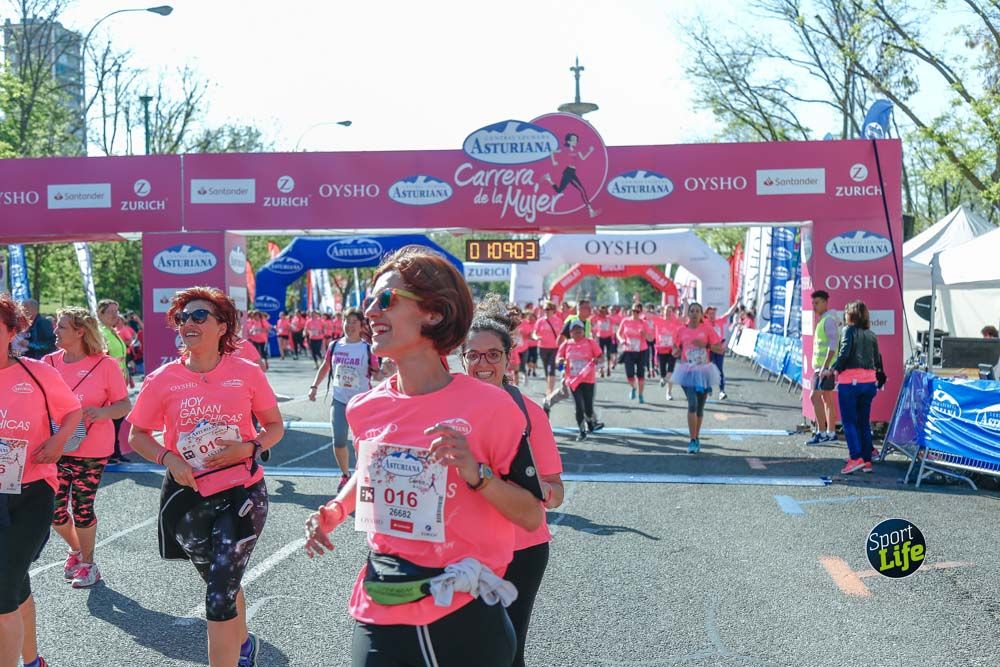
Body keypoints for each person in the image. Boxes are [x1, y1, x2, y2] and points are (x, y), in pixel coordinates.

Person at [303, 246, 542, 667]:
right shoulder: (364, 407)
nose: (371, 313)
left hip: (463, 611)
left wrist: (477, 473)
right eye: (368, 302)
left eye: (385, 300)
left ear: (433, 313)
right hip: (384, 592)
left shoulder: (494, 408)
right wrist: (335, 511)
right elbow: (369, 471)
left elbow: (530, 516)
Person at [127, 287, 285, 667]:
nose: (188, 324)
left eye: (199, 316)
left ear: (222, 326)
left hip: (242, 492)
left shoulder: (245, 372)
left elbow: (275, 427)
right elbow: (137, 436)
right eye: (182, 318)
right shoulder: (163, 378)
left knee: (217, 595)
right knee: (220, 581)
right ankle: (243, 645)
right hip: (188, 496)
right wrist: (168, 458)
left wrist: (249, 449)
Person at [459, 294, 564, 667]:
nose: (483, 363)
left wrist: (545, 492)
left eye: (493, 354)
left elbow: (555, 491)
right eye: (474, 355)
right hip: (461, 548)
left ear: (508, 358)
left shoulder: (530, 412)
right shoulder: (446, 406)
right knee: (461, 648)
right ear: (462, 359)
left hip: (522, 547)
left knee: (508, 649)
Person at [0, 294, 83, 667]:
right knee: (14, 582)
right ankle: (33, 661)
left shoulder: (37, 373)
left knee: (2, 586)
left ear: (12, 331)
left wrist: (57, 441)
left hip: (33, 491)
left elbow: (72, 412)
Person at [44, 307, 131, 588]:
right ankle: (76, 549)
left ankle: (88, 564)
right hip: (55, 447)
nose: (55, 331)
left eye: (62, 327)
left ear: (80, 332)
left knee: (82, 508)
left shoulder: (104, 365)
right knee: (53, 511)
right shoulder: (48, 363)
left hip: (92, 449)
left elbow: (123, 405)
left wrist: (100, 413)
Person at [308, 308, 382, 493]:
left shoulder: (367, 348)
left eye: (353, 322)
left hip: (362, 401)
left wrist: (389, 371)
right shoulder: (334, 346)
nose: (349, 325)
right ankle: (345, 475)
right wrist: (314, 386)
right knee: (339, 441)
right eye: (346, 321)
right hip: (339, 400)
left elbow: (377, 372)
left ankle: (361, 475)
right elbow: (326, 366)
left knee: (362, 444)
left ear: (361, 325)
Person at [827, 300, 884, 475]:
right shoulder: (872, 334)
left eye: (846, 312)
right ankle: (866, 460)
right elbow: (877, 360)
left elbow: (844, 353)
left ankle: (855, 458)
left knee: (849, 422)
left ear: (851, 315)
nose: (844, 315)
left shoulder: (848, 330)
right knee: (863, 422)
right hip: (869, 383)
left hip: (850, 383)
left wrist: (832, 369)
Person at [672, 303, 724, 453]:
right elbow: (675, 349)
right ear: (688, 314)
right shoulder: (681, 330)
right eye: (692, 311)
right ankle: (692, 440)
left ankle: (697, 436)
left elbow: (719, 349)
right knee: (692, 404)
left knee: (700, 408)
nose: (694, 314)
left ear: (702, 315)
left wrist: (706, 345)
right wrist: (676, 350)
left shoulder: (707, 329)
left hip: (704, 372)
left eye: (697, 311)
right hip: (687, 371)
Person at [558, 320, 606, 440]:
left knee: (588, 409)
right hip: (573, 381)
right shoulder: (566, 344)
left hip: (588, 380)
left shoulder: (590, 343)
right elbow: (559, 359)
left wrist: (598, 361)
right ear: (570, 332)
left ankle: (590, 422)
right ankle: (582, 431)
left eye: (580, 329)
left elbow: (601, 357)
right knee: (579, 406)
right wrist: (561, 363)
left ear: (583, 331)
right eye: (575, 330)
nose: (577, 332)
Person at [97, 299, 130, 464]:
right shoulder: (100, 333)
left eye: (116, 311)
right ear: (100, 314)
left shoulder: (112, 331)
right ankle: (110, 452)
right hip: (108, 385)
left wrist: (127, 376)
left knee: (118, 419)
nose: (115, 315)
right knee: (112, 419)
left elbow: (121, 358)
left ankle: (115, 451)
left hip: (119, 382)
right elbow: (102, 358)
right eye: (110, 312)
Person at [806, 291, 841, 445]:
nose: (814, 306)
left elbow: (833, 345)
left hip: (824, 368)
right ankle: (831, 433)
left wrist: (825, 367)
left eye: (817, 302)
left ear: (826, 302)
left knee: (814, 397)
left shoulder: (828, 320)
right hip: (824, 367)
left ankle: (821, 433)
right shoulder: (825, 320)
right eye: (813, 303)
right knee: (827, 399)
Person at [543, 132, 599, 218]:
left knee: (560, 191)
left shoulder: (577, 150)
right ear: (568, 141)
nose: (575, 141)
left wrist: (590, 151)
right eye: (573, 140)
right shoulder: (564, 149)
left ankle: (549, 179)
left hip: (572, 172)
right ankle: (591, 210)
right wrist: (553, 161)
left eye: (576, 140)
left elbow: (583, 158)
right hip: (568, 172)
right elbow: (552, 152)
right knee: (581, 190)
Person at [703, 303, 738, 400]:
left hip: (719, 349)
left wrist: (737, 302)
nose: (712, 316)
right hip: (709, 349)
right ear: (706, 314)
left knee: (719, 370)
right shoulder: (704, 322)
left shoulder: (720, 321)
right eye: (710, 314)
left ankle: (722, 391)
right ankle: (708, 387)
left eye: (714, 313)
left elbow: (729, 313)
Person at [617, 304, 649, 403]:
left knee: (641, 374)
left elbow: (650, 338)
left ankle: (640, 395)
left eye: (637, 311)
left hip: (641, 350)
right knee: (629, 374)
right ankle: (634, 387)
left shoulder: (644, 323)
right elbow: (618, 333)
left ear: (640, 313)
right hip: (629, 350)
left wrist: (644, 334)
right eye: (633, 311)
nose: (635, 313)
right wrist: (622, 340)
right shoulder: (625, 321)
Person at [532, 301, 563, 395]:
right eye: (544, 309)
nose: (546, 311)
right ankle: (549, 385)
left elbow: (562, 335)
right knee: (546, 369)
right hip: (542, 348)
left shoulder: (558, 321)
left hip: (555, 348)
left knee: (551, 368)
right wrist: (536, 337)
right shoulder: (540, 321)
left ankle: (550, 391)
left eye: (548, 309)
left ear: (553, 310)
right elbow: (534, 333)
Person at [655, 305, 682, 400]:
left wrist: (686, 303)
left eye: (670, 311)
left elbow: (685, 318)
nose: (668, 313)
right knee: (663, 372)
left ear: (672, 313)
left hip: (672, 349)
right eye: (666, 311)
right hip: (661, 349)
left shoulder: (675, 322)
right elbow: (647, 315)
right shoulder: (658, 320)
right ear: (663, 311)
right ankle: (663, 379)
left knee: (671, 370)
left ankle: (669, 393)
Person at [591, 305, 614, 377]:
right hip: (600, 338)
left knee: (608, 354)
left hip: (608, 338)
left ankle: (608, 368)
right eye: (601, 311)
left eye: (604, 312)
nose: (602, 313)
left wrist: (613, 337)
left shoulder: (609, 318)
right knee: (601, 355)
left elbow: (614, 326)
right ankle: (602, 370)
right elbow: (591, 320)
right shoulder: (597, 318)